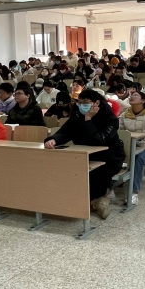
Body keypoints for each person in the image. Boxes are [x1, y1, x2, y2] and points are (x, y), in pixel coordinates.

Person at [44, 90, 125, 220]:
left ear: (96, 103)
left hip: (109, 157)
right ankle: (98, 200)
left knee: (96, 175)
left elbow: (98, 140)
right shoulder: (77, 115)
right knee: (67, 173)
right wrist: (53, 140)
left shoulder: (110, 119)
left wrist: (88, 119)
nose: (81, 105)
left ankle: (97, 199)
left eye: (85, 102)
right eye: (79, 102)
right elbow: (65, 132)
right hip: (84, 155)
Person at [118, 91, 145, 205]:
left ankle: (134, 193)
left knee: (138, 158)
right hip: (130, 146)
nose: (132, 96)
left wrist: (139, 146)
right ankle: (109, 188)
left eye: (136, 95)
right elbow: (119, 132)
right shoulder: (124, 115)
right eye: (131, 95)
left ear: (143, 100)